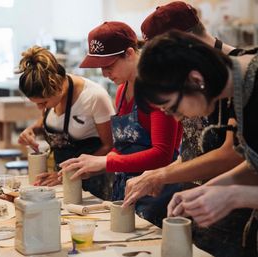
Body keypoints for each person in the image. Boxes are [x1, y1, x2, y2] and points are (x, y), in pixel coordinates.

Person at [123, 3, 257, 256]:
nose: (177, 118)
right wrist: (210, 188)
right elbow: (253, 163)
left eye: (173, 108)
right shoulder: (238, 91)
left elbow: (233, 157)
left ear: (196, 79)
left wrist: (235, 196)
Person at [60, 21, 183, 227]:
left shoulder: (157, 89)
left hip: (156, 192)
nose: (104, 74)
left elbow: (162, 154)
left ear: (129, 53)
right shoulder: (121, 90)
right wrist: (95, 164)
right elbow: (123, 146)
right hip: (126, 188)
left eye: (108, 66)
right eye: (100, 67)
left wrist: (106, 163)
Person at [16, 45, 115, 200]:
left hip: (94, 184)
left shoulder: (94, 97)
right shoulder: (50, 93)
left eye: (43, 103)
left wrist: (68, 173)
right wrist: (32, 129)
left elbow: (109, 146)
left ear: (58, 88)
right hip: (61, 179)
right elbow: (52, 121)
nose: (40, 107)